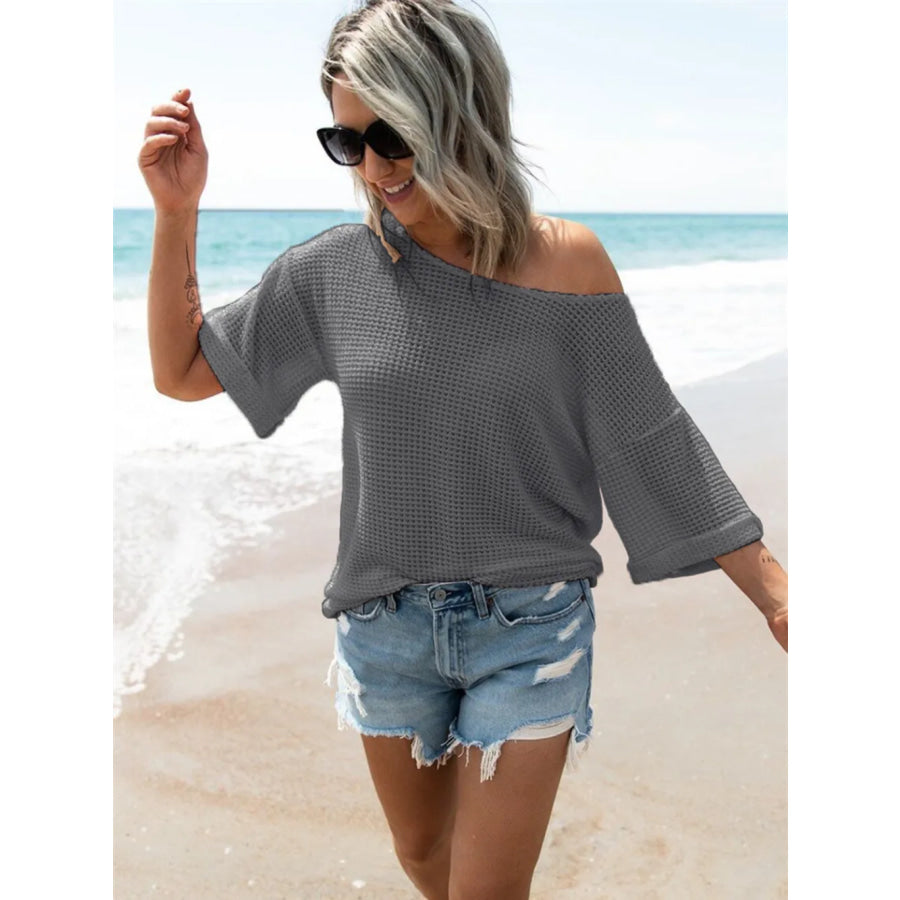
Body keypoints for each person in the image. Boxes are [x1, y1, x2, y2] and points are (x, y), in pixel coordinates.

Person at [138, 1, 788, 897]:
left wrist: (776, 594)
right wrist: (177, 211)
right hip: (383, 626)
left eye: (394, 135)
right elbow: (180, 370)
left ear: (462, 112)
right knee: (423, 858)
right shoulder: (331, 273)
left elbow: (650, 436)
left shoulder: (569, 265)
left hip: (531, 626)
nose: (375, 167)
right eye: (349, 141)